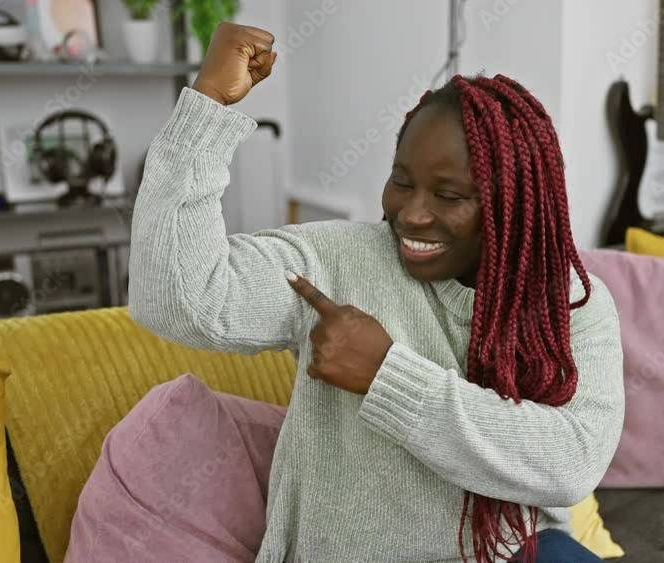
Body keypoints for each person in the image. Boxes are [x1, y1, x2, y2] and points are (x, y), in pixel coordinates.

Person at [127, 21, 624, 563]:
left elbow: (572, 461)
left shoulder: (572, 305)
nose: (411, 214)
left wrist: (386, 374)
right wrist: (208, 109)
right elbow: (178, 299)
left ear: (515, 208)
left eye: (449, 194)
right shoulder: (335, 262)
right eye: (402, 181)